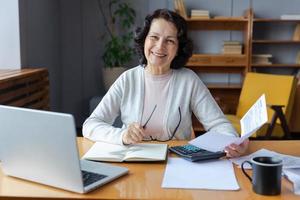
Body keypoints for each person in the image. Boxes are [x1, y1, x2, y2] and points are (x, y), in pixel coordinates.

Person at [83, 9, 248, 157]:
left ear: (178, 48)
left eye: (169, 41)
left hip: (177, 163)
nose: (160, 46)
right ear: (144, 40)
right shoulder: (128, 79)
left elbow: (219, 124)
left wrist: (234, 142)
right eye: (154, 37)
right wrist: (122, 135)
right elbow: (91, 125)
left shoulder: (189, 80)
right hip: (135, 163)